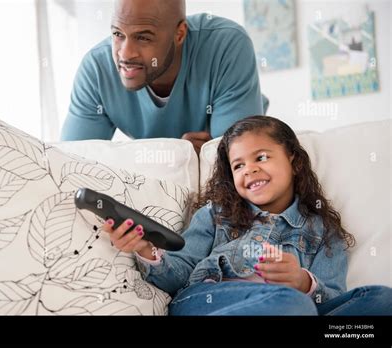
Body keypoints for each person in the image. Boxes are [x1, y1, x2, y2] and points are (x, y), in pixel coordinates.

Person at [102, 115, 392, 315]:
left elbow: (330, 298)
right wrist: (144, 248)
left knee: (381, 300)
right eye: (238, 165)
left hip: (294, 308)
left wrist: (303, 282)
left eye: (262, 157)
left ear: (293, 160)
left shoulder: (323, 231)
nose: (249, 169)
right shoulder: (216, 215)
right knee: (291, 305)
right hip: (209, 302)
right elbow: (179, 274)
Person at [61, 0, 268, 154]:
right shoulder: (96, 70)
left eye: (143, 37)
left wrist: (207, 157)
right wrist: (174, 154)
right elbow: (71, 165)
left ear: (179, 34)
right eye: (117, 34)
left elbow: (236, 161)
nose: (125, 54)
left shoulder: (226, 46)